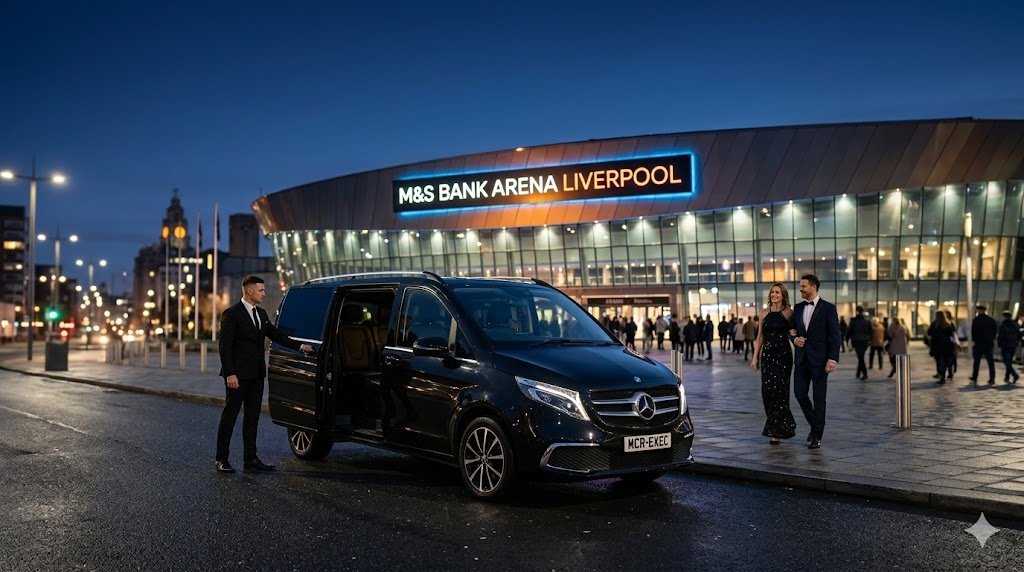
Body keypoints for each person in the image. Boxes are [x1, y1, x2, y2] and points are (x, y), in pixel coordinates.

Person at [216, 275, 314, 473]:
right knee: (230, 417)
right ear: (249, 291)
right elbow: (224, 347)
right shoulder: (232, 314)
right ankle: (221, 459)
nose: (264, 293)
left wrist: (300, 346)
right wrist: (230, 374)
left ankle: (250, 460)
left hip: (256, 375)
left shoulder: (261, 314)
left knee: (252, 418)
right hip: (237, 377)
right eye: (261, 290)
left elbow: (276, 335)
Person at [790, 274, 840, 450]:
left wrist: (833, 359)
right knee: (799, 393)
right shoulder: (797, 308)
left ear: (813, 287)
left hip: (820, 361)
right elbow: (792, 330)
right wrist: (794, 340)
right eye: (800, 286)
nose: (801, 289)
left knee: (819, 399)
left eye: (803, 286)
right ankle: (814, 425)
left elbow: (835, 336)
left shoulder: (828, 308)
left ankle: (817, 435)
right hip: (801, 359)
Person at [750, 283, 796, 445]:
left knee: (780, 393)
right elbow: (760, 337)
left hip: (783, 356)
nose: (774, 295)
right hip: (767, 356)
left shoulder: (789, 313)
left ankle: (775, 432)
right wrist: (755, 357)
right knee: (767, 392)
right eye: (772, 292)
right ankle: (784, 424)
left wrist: (796, 334)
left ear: (783, 295)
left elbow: (795, 333)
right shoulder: (763, 313)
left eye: (777, 292)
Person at [970, 304, 998, 385]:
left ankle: (975, 377)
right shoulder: (991, 320)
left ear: (978, 310)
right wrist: (991, 339)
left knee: (977, 361)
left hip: (979, 343)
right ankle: (992, 378)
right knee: (990, 362)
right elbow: (995, 331)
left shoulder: (976, 320)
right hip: (988, 343)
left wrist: (974, 340)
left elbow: (973, 332)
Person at [926, 311, 956, 385]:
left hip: (937, 345)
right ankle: (947, 373)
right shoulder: (948, 323)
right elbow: (952, 333)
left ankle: (942, 376)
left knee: (939, 361)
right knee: (945, 360)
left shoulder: (934, 324)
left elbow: (929, 332)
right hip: (947, 345)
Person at [847, 306, 871, 380]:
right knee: (861, 357)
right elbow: (870, 331)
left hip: (856, 341)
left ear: (857, 311)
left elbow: (849, 332)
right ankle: (858, 373)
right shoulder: (867, 321)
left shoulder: (853, 321)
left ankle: (865, 374)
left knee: (860, 357)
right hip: (865, 341)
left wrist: (847, 340)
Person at [997, 310, 1020, 384]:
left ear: (1004, 316)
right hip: (1013, 345)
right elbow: (1019, 334)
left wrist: (999, 344)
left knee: (1006, 361)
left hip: (1005, 345)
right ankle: (1007, 376)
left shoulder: (1003, 325)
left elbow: (1001, 336)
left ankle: (1014, 374)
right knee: (1009, 361)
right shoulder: (1015, 324)